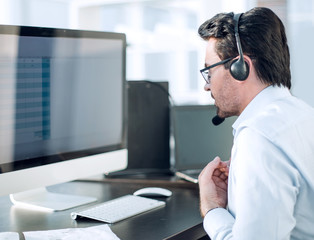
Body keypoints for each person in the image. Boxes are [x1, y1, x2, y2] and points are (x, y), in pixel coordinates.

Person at [197, 7, 314, 240]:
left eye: (210, 71)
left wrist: (212, 209)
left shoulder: (260, 138)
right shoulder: (303, 114)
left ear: (240, 67)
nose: (207, 85)